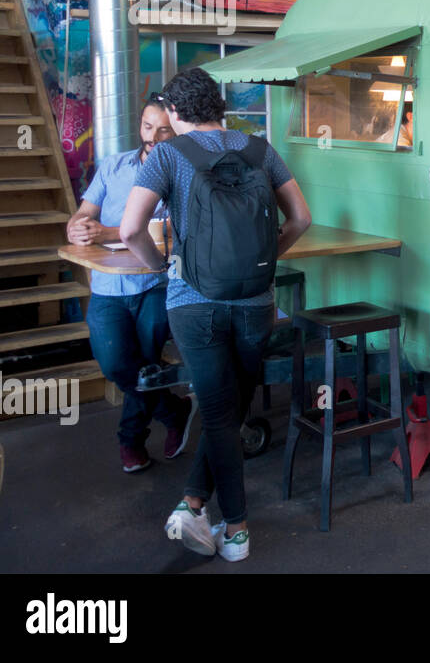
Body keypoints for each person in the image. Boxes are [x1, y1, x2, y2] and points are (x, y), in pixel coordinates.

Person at [120, 68, 312, 563]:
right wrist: (269, 258)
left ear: (176, 114)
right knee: (230, 408)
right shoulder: (259, 149)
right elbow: (301, 219)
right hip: (255, 302)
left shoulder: (166, 155)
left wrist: (163, 269)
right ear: (220, 108)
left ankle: (239, 528)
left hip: (193, 303)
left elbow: (130, 230)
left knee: (221, 414)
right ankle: (192, 503)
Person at [67, 95, 195, 473]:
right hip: (107, 286)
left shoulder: (183, 172)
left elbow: (170, 230)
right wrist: (77, 227)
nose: (153, 136)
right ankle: (174, 411)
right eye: (146, 127)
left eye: (163, 129)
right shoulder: (114, 165)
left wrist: (106, 231)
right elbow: (85, 211)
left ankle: (130, 441)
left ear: (178, 130)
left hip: (156, 281)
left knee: (145, 364)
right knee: (116, 364)